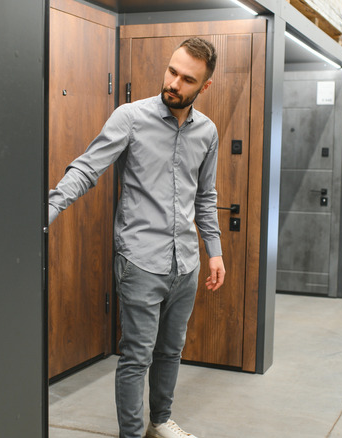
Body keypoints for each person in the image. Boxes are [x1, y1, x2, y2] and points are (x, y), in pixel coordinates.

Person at [47, 37, 225, 438]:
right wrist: (50, 209)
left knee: (171, 351)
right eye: (172, 71)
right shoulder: (130, 117)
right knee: (135, 357)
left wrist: (214, 252)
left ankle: (159, 421)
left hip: (187, 264)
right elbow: (86, 168)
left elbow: (206, 196)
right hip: (141, 262)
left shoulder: (207, 133)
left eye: (187, 79)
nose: (174, 83)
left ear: (204, 87)